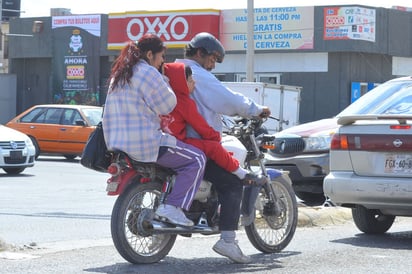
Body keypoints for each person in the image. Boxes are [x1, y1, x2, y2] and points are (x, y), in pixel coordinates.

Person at [175, 32, 271, 264]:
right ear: (200, 53)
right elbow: (226, 99)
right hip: (196, 141)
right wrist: (254, 109)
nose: (213, 65)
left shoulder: (172, 70)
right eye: (213, 59)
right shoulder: (195, 73)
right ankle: (228, 240)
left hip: (175, 139)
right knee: (233, 182)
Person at [102, 35, 206, 227]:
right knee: (197, 159)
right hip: (145, 143)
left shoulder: (120, 73)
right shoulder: (148, 72)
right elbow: (167, 105)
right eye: (160, 58)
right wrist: (164, 78)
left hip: (117, 143)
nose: (162, 62)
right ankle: (173, 207)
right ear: (150, 54)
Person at [162, 62, 266, 186]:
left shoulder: (165, 98)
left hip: (163, 141)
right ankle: (240, 172)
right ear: (180, 82)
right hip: (179, 143)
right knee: (214, 148)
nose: (194, 83)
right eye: (190, 80)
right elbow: (200, 125)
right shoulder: (184, 102)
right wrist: (215, 137)